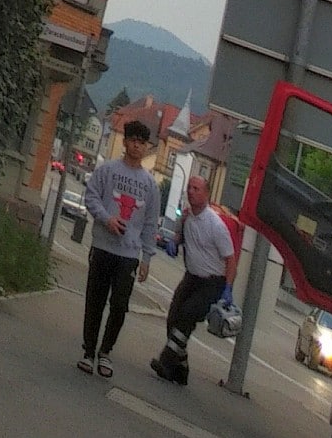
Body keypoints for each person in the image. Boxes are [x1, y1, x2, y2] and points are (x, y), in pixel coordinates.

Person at [78, 120, 159, 375]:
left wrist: (147, 258)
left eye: (142, 143)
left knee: (120, 305)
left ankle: (106, 351)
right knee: (95, 300)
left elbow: (150, 222)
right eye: (133, 140)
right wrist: (106, 219)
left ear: (146, 147)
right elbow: (91, 196)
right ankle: (89, 351)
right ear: (125, 142)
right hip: (103, 246)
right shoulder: (108, 170)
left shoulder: (150, 185)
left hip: (129, 253)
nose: (137, 146)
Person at [151, 175, 237, 385]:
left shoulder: (215, 225)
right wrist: (174, 242)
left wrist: (228, 288)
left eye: (196, 188)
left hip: (212, 282)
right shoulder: (186, 217)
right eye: (189, 187)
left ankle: (166, 362)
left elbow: (230, 259)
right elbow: (180, 235)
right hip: (191, 277)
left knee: (187, 316)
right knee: (173, 317)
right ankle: (181, 369)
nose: (191, 192)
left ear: (206, 194)